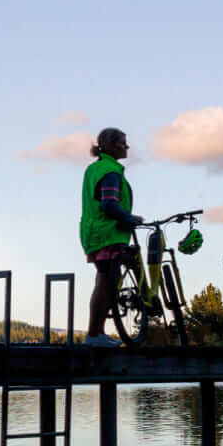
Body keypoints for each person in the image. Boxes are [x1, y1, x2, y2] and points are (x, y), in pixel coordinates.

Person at [80, 128, 142, 346]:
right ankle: (95, 335)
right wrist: (130, 218)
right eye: (123, 143)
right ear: (110, 145)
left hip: (93, 232)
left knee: (102, 280)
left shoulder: (94, 169)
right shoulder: (110, 171)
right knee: (107, 283)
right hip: (108, 233)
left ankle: (96, 333)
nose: (127, 147)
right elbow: (109, 204)